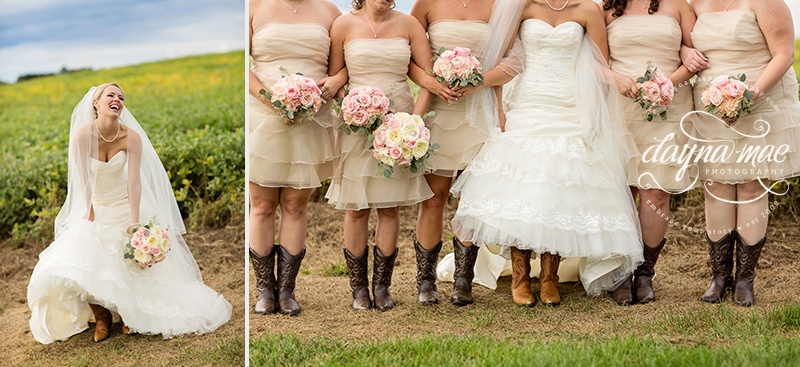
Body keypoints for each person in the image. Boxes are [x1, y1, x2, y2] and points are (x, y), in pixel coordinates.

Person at [451, 0, 644, 306]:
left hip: (570, 107)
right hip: (528, 104)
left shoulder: (587, 10)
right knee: (523, 190)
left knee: (558, 187)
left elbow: (597, 64)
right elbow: (503, 60)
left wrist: (613, 83)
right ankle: (520, 276)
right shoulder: (524, 6)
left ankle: (549, 277)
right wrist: (498, 109)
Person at [27, 83, 231, 344]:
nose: (117, 99)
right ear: (96, 103)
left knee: (131, 258)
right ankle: (101, 317)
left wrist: (136, 224)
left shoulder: (130, 137)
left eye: (121, 97)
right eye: (111, 95)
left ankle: (128, 315)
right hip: (97, 205)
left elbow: (134, 183)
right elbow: (82, 181)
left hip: (127, 205)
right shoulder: (81, 136)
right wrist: (88, 212)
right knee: (82, 253)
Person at [325, 0, 451, 311]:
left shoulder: (409, 24)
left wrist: (412, 122)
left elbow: (426, 78)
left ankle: (382, 287)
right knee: (356, 209)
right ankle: (358, 289)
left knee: (390, 208)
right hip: (358, 127)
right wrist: (356, 109)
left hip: (398, 126)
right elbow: (337, 77)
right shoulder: (343, 25)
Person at [409, 0, 523, 306]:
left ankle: (463, 280)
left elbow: (514, 61)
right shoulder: (427, 4)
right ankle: (426, 281)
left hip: (479, 111)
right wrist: (433, 84)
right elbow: (410, 58)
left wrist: (479, 82)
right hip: (439, 110)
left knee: (471, 200)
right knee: (434, 198)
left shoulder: (499, 6)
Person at [689, 0, 800, 307]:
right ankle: (719, 277)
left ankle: (744, 280)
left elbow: (784, 54)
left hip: (760, 99)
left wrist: (749, 97)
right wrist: (686, 52)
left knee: (751, 186)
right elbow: (685, 44)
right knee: (716, 185)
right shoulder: (695, 3)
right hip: (711, 106)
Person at [602, 0, 703, 305]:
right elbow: (591, 59)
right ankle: (619, 271)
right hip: (620, 108)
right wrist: (615, 79)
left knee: (655, 193)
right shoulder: (605, 9)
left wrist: (668, 81)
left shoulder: (678, 6)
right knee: (621, 191)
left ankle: (644, 272)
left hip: (668, 108)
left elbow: (697, 55)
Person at [247, 0, 343, 316]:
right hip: (263, 117)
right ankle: (265, 290)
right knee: (261, 205)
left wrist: (332, 84)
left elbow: (343, 66)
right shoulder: (253, 7)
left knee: (295, 204)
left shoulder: (330, 11)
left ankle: (287, 291)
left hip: (311, 120)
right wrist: (271, 99)